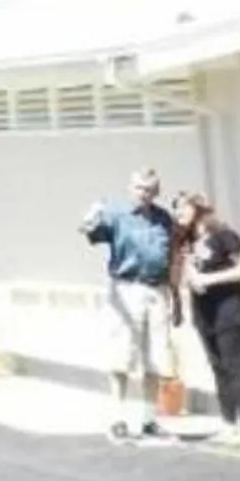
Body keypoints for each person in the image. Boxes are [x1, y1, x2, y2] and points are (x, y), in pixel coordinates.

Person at [82, 167, 177, 442]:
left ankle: (149, 420)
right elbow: (93, 234)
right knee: (122, 355)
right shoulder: (118, 215)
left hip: (156, 289)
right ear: (131, 188)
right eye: (139, 188)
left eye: (149, 189)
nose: (143, 194)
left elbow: (170, 255)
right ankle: (117, 418)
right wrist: (90, 219)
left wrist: (173, 293)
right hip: (127, 287)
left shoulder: (163, 219)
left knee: (156, 357)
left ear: (156, 192)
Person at [172, 190, 240, 444]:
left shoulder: (223, 235)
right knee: (218, 367)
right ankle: (228, 423)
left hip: (228, 309)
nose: (178, 213)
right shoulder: (188, 242)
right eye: (176, 209)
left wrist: (210, 279)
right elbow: (188, 273)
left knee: (234, 367)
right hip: (203, 311)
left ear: (198, 209)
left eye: (183, 207)